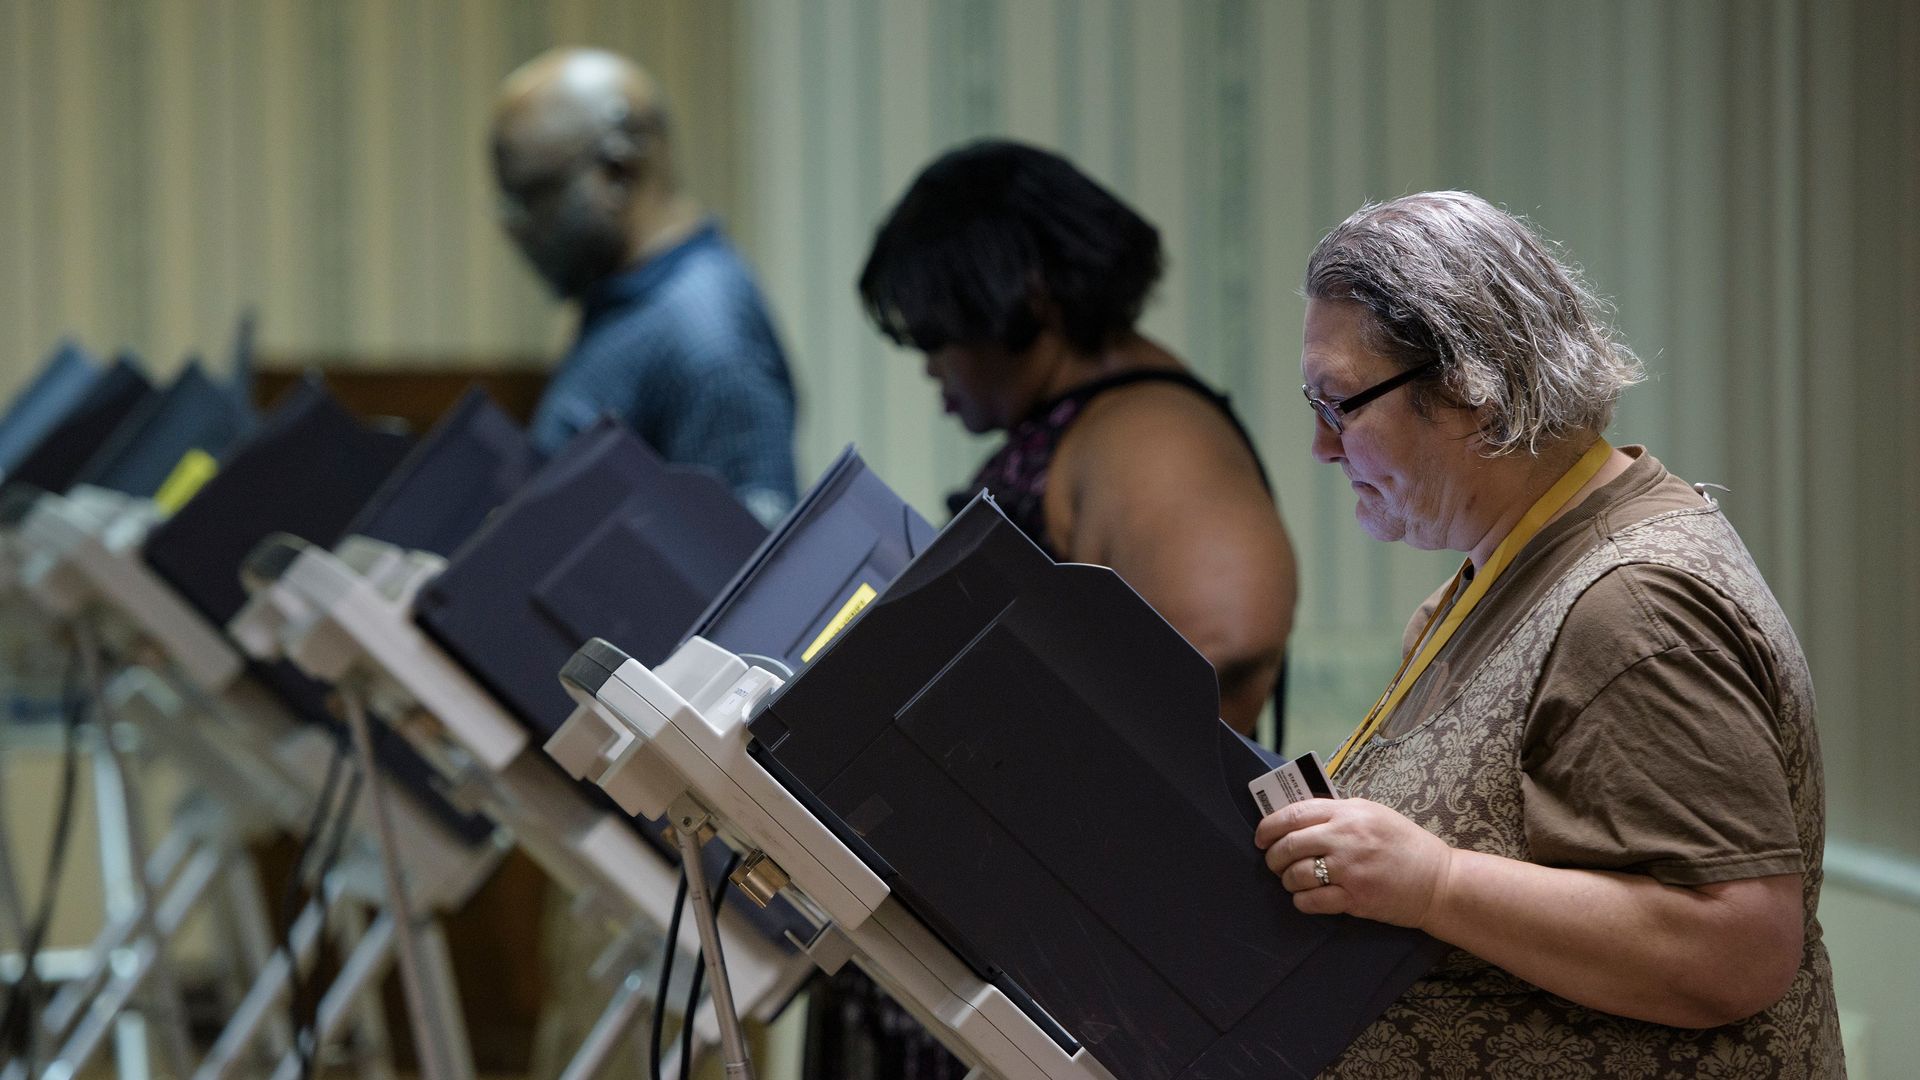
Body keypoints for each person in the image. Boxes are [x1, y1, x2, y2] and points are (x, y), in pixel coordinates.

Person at [1260, 191, 1842, 1076]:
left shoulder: (1635, 606)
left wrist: (1435, 884)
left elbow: (1738, 945)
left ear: (1470, 392)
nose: (1321, 446)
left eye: (1339, 405)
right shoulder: (1526, 562)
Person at [858, 139, 1298, 739]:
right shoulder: (1091, 420)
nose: (931, 366)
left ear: (1027, 296)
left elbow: (1228, 637)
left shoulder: (1151, 432)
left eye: (939, 335)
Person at [491, 48, 797, 524]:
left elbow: (744, 570)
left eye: (533, 193)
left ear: (618, 173)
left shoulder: (708, 338)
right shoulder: (631, 301)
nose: (515, 227)